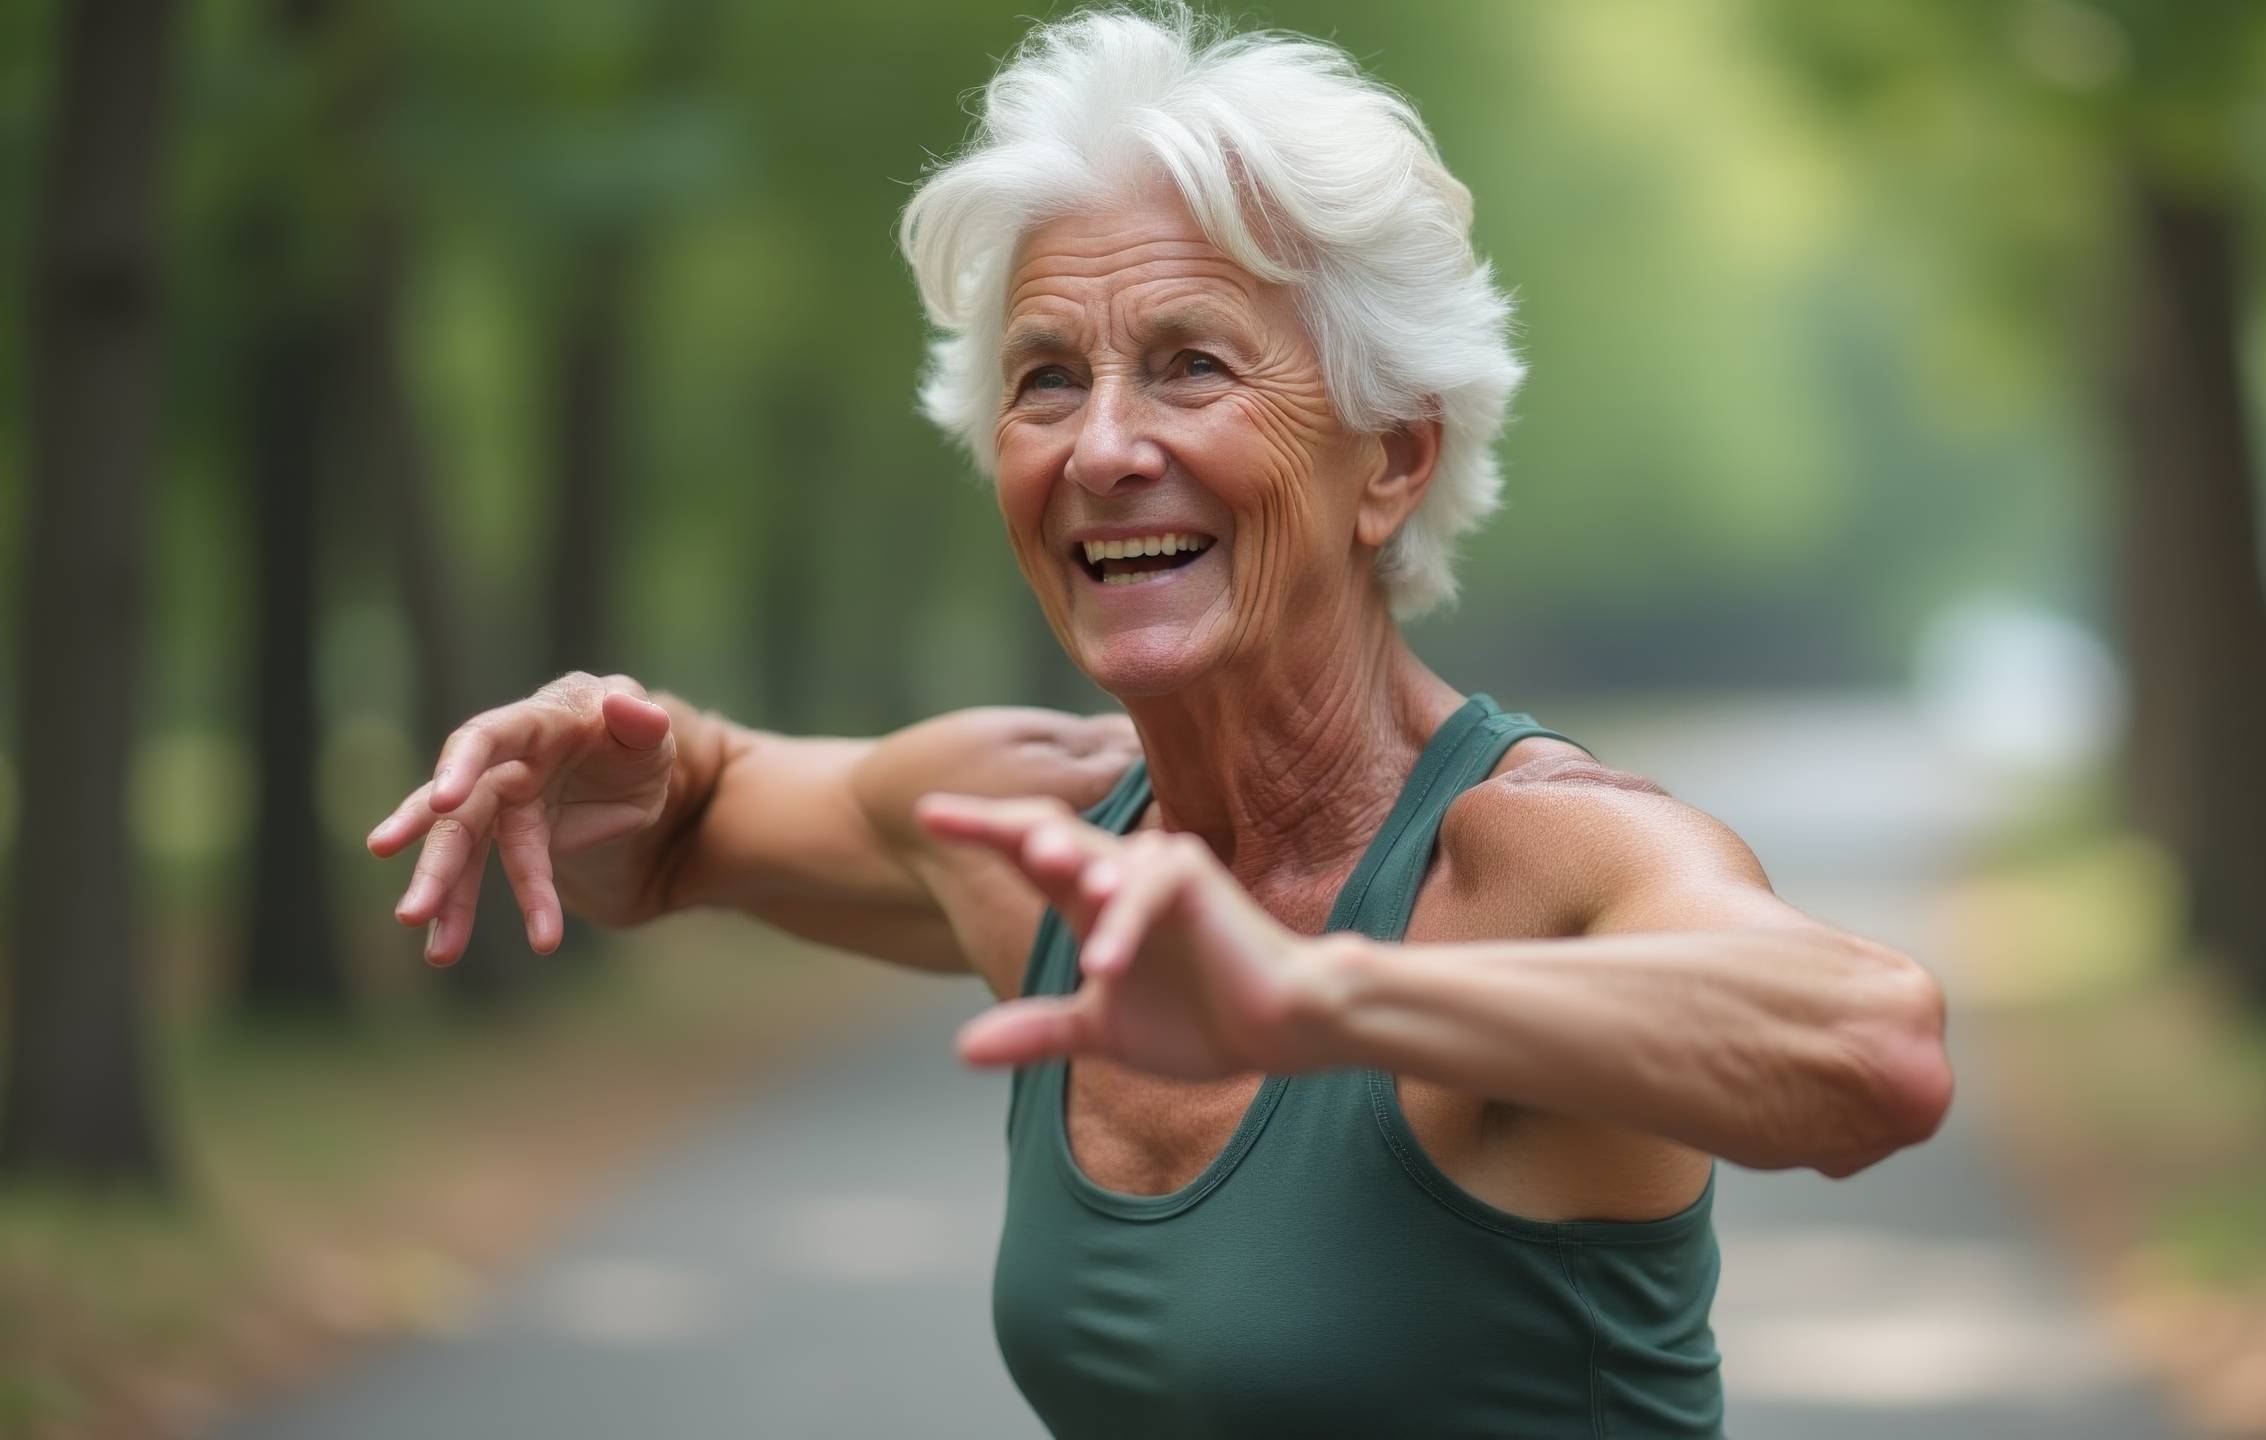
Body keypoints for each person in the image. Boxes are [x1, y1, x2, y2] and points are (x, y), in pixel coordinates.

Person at [364, 7, 1952, 1435]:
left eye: (1191, 366)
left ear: (1390, 459)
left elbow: (1873, 1052)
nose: (1104, 446)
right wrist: (616, 783)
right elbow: (688, 825)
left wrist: (1320, 1002)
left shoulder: (1536, 863)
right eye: (1046, 380)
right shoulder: (1038, 835)